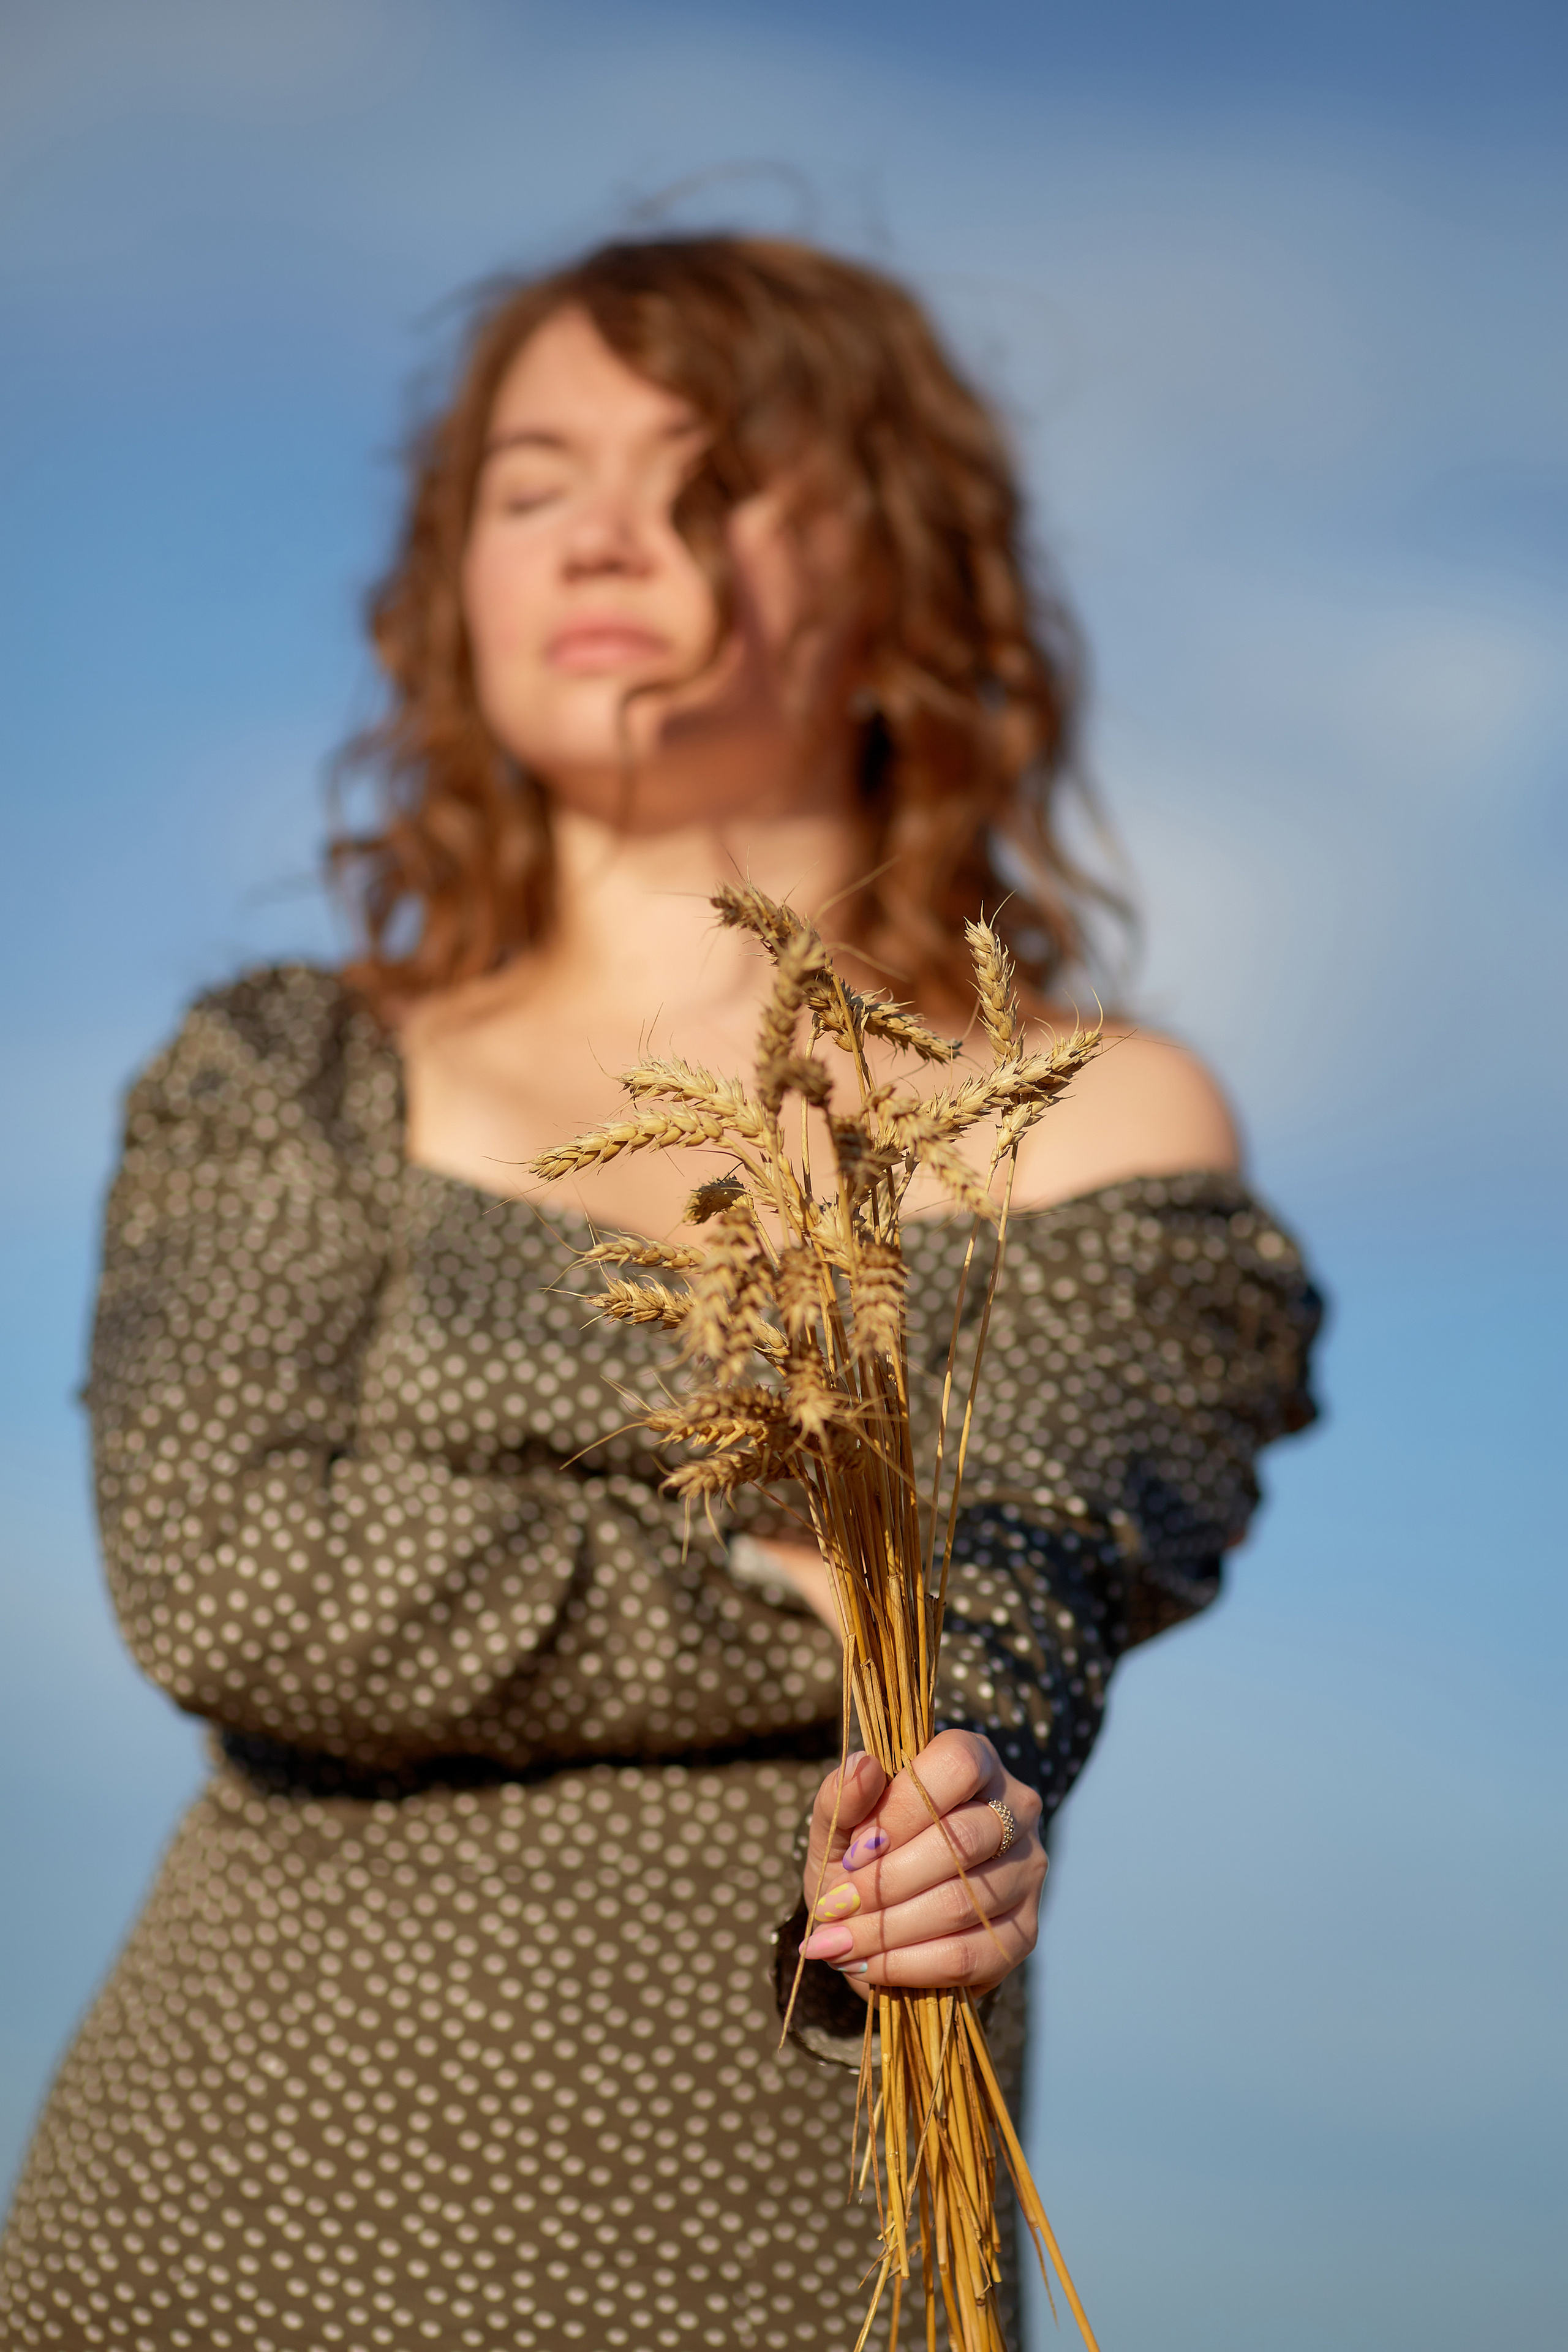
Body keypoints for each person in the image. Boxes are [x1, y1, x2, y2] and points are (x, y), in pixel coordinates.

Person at [0, 236, 1321, 2351]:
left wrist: (958, 1754)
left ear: (895, 577)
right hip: (215, 2207)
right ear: (455, 591)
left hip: (784, 2230)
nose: (608, 530)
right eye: (532, 484)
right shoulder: (287, 1072)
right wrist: (787, 1594)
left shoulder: (1093, 1115)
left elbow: (1037, 1561)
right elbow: (234, 1580)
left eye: (709, 476)